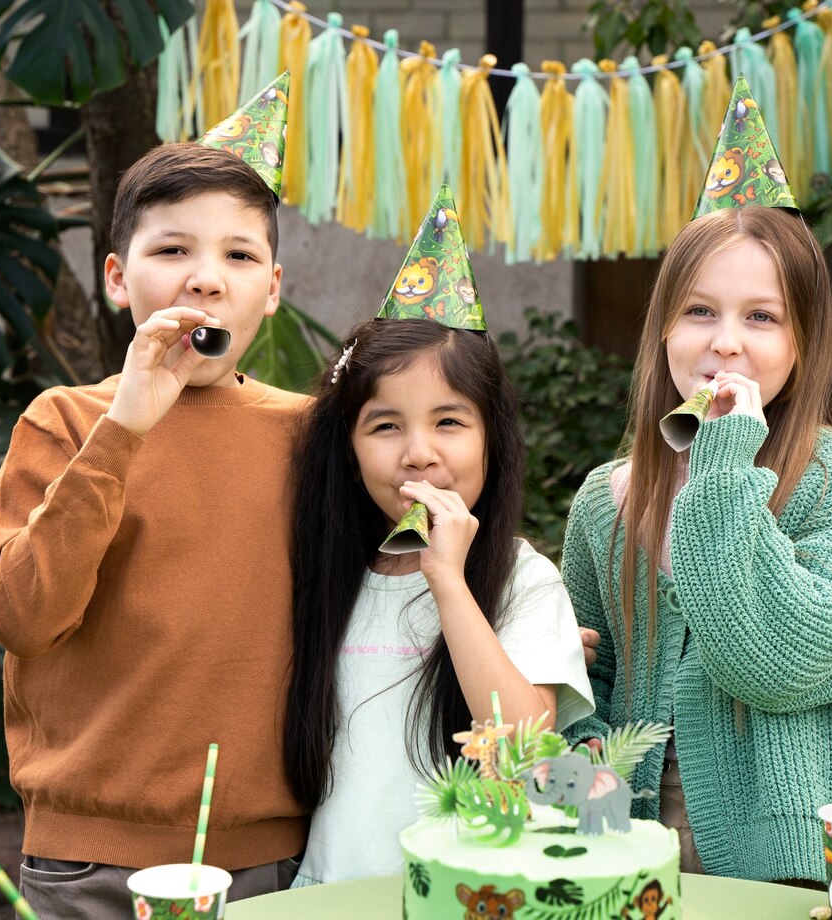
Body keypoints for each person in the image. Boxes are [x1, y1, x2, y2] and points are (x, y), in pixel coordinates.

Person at [561, 77, 832, 886]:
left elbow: (777, 662)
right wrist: (596, 809)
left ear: (802, 340)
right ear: (660, 332)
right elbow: (581, 687)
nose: (726, 343)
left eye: (761, 317)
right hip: (632, 852)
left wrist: (721, 463)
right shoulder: (602, 501)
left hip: (798, 859)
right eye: (698, 312)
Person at [0, 76, 309, 916]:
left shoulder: (313, 436)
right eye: (173, 251)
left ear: (271, 288)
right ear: (120, 279)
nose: (205, 278)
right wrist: (122, 428)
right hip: (92, 860)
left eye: (239, 255)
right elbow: (21, 615)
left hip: (276, 857)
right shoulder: (63, 421)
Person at [282, 187, 594, 885]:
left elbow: (523, 746)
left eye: (449, 422)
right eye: (386, 425)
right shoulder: (326, 574)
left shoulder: (522, 580)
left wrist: (449, 583)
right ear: (350, 448)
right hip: (331, 894)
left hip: (468, 897)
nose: (418, 452)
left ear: (493, 442)